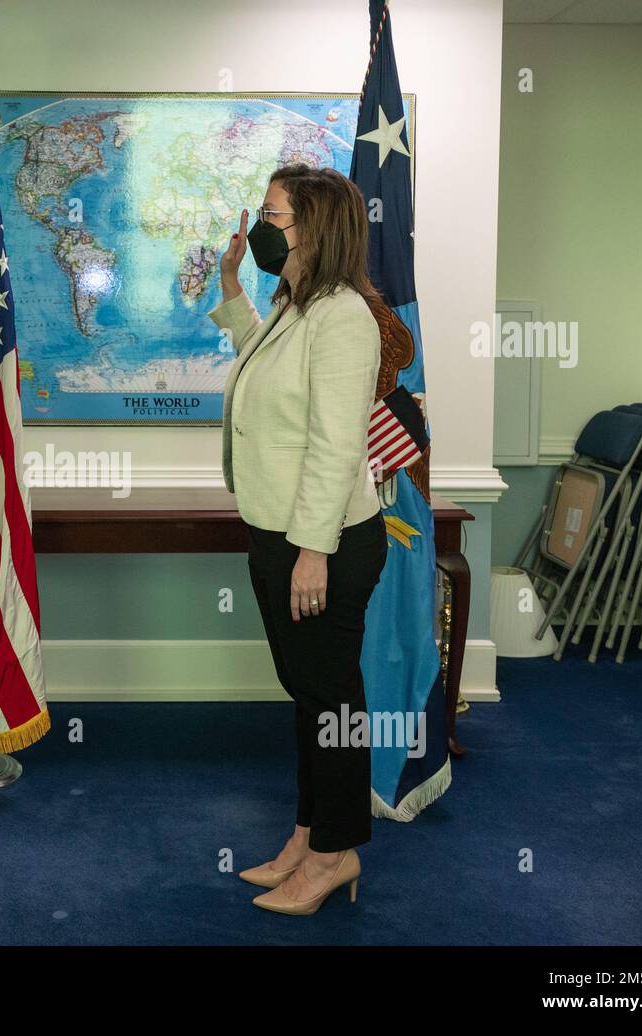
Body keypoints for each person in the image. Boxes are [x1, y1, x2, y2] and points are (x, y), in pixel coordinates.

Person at [209, 163, 388, 916]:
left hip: (323, 541)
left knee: (331, 698)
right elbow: (262, 359)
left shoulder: (345, 314)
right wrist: (230, 289)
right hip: (279, 529)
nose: (259, 226)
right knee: (309, 693)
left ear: (312, 228)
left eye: (273, 214)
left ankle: (337, 854)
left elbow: (336, 442)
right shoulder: (296, 302)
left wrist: (313, 549)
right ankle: (309, 834)